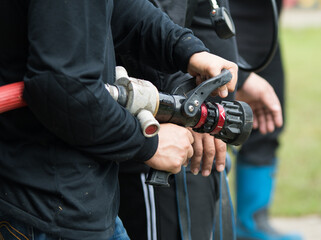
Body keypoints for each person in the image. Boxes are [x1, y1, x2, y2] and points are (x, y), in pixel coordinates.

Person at [0, 1, 239, 240]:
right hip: (46, 208)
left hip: (74, 198)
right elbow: (63, 88)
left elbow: (118, 8)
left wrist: (185, 48)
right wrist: (148, 143)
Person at [117, 0, 284, 239]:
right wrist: (187, 109)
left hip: (198, 124)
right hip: (159, 140)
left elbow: (199, 13)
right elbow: (147, 19)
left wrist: (239, 79)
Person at [230, 0, 303, 239]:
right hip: (227, 21)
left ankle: (251, 223)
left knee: (268, 120)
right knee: (214, 121)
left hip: (266, 27)